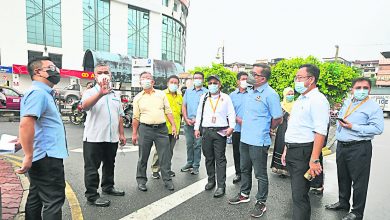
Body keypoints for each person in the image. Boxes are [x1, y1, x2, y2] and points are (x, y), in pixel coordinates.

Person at [229, 64, 283, 218]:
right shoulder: (251, 91)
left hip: (259, 141)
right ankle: (244, 194)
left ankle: (261, 202)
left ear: (262, 78)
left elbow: (278, 117)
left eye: (254, 74)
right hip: (245, 138)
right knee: (244, 169)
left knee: (260, 174)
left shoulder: (270, 94)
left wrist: (268, 128)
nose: (250, 76)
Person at [325, 77, 384, 220]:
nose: (362, 90)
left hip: (359, 147)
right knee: (343, 177)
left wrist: (353, 127)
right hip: (342, 146)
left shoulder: (373, 107)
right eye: (358, 88)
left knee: (359, 182)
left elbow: (378, 128)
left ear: (370, 89)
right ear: (352, 89)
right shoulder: (348, 102)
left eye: (365, 88)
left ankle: (357, 212)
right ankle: (343, 202)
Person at [17, 57, 68, 219]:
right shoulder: (38, 93)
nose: (56, 70)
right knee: (54, 199)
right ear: (38, 71)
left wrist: (23, 145)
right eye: (51, 67)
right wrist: (28, 155)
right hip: (47, 156)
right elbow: (26, 123)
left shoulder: (41, 93)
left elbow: (36, 125)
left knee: (37, 196)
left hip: (43, 154)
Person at [281, 64, 330, 220]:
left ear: (311, 79)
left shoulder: (318, 100)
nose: (296, 80)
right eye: (296, 78)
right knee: (297, 194)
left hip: (304, 152)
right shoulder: (301, 99)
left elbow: (320, 131)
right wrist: (286, 149)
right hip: (293, 150)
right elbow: (295, 127)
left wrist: (314, 159)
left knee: (300, 196)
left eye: (299, 77)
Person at [81, 63, 126, 207]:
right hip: (94, 138)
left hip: (111, 138)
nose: (103, 74)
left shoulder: (115, 94)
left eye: (106, 72)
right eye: (99, 72)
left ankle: (108, 187)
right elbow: (85, 106)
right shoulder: (89, 92)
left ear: (111, 75)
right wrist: (100, 93)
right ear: (95, 76)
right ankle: (92, 195)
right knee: (92, 168)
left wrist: (122, 134)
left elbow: (119, 115)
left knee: (109, 164)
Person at [132, 71, 177, 191]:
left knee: (165, 156)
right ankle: (141, 180)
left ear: (153, 81)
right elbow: (136, 117)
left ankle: (167, 180)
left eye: (148, 78)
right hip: (145, 129)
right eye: (143, 78)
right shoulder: (137, 98)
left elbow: (168, 111)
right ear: (140, 82)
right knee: (143, 156)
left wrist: (173, 125)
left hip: (161, 130)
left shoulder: (161, 94)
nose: (146, 80)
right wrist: (134, 133)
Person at [194, 75, 236, 198]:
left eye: (215, 83)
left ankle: (221, 186)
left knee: (220, 159)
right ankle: (211, 180)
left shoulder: (225, 98)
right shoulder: (204, 98)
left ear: (219, 84)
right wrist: (197, 128)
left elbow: (231, 113)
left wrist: (231, 127)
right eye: (210, 83)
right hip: (206, 131)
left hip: (220, 132)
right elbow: (199, 114)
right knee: (208, 157)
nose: (212, 85)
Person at [151, 75, 183, 179]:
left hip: (175, 128)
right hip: (163, 127)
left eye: (176, 83)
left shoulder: (179, 95)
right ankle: (155, 169)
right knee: (159, 150)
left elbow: (180, 112)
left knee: (169, 151)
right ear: (167, 83)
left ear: (178, 84)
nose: (174, 84)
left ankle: (167, 169)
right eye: (171, 82)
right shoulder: (161, 94)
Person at [181, 72, 208, 175]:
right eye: (195, 78)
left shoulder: (207, 92)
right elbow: (184, 106)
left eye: (199, 78)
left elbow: (208, 109)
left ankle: (196, 166)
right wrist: (186, 118)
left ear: (203, 80)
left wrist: (198, 120)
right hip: (188, 122)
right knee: (189, 144)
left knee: (197, 145)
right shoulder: (188, 91)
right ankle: (189, 163)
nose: (197, 80)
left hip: (200, 124)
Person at [229, 71, 250, 184]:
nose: (245, 81)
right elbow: (230, 112)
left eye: (247, 79)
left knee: (247, 155)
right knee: (237, 153)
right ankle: (238, 173)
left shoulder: (252, 93)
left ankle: (246, 174)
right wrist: (238, 120)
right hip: (237, 129)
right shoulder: (232, 96)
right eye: (242, 79)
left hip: (249, 130)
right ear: (238, 81)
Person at [270, 87, 295, 177]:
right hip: (282, 129)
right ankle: (279, 168)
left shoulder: (296, 105)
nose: (290, 96)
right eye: (288, 94)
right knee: (280, 146)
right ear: (284, 95)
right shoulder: (280, 105)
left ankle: (288, 169)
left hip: (292, 129)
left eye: (292, 94)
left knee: (289, 148)